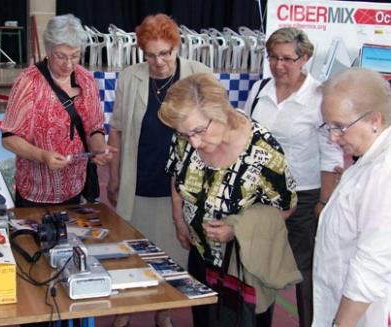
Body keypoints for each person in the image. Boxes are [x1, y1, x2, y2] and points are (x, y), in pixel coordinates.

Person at [159, 73, 299, 327]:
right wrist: (178, 218)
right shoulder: (186, 135)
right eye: (185, 134)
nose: (194, 142)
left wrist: (236, 229)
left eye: (199, 132)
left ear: (221, 112)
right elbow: (176, 174)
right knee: (204, 320)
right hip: (201, 254)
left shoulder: (263, 150)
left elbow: (286, 208)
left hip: (244, 264)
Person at [107, 13, 211, 327]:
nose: (159, 62)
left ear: (176, 47)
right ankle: (124, 310)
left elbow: (216, 129)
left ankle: (163, 311)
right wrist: (114, 176)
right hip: (138, 179)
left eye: (165, 53)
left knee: (171, 255)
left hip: (179, 187)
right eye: (151, 55)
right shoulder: (130, 77)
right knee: (131, 251)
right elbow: (117, 130)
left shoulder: (199, 75)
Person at [243, 27, 343, 327]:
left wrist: (324, 202)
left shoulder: (320, 97)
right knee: (258, 271)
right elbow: (246, 140)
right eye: (273, 57)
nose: (279, 65)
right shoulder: (258, 90)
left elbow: (332, 156)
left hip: (304, 198)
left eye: (287, 58)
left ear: (305, 58)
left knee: (306, 275)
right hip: (259, 198)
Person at [1, 14, 113, 208]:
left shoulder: (86, 80)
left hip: (75, 188)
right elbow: (9, 138)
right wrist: (42, 156)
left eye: (75, 56)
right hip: (36, 192)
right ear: (48, 49)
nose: (68, 64)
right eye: (60, 56)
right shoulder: (28, 82)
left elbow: (95, 128)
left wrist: (99, 148)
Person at [313, 68, 391, 327]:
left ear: (375, 121)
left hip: (364, 314)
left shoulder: (383, 173)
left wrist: (340, 325)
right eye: (329, 126)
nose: (333, 137)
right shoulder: (369, 159)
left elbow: (372, 265)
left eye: (340, 127)